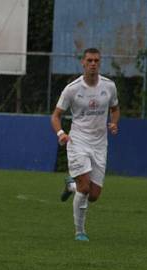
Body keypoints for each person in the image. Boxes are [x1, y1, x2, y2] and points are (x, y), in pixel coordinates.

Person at [52, 47, 119, 241]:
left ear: (100, 63)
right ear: (83, 62)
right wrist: (61, 133)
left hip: (100, 144)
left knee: (94, 194)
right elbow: (56, 116)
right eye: (89, 60)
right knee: (85, 187)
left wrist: (114, 123)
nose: (93, 64)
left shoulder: (109, 86)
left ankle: (71, 185)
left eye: (96, 61)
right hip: (78, 141)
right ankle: (80, 232)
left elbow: (115, 109)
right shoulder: (72, 89)